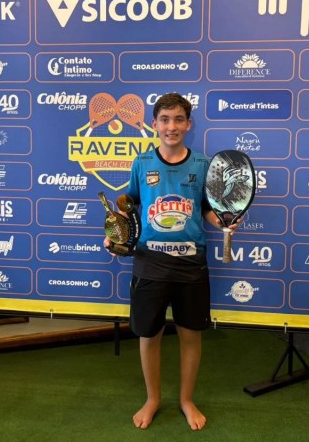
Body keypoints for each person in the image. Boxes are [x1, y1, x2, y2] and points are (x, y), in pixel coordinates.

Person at [105, 92, 235, 431]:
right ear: (154, 125)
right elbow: (128, 206)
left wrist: (221, 221)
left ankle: (186, 400)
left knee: (191, 334)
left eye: (178, 119)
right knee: (149, 334)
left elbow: (208, 210)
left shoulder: (203, 165)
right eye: (165, 119)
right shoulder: (142, 163)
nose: (171, 126)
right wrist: (116, 234)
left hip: (191, 263)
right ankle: (152, 399)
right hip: (150, 263)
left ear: (188, 125)